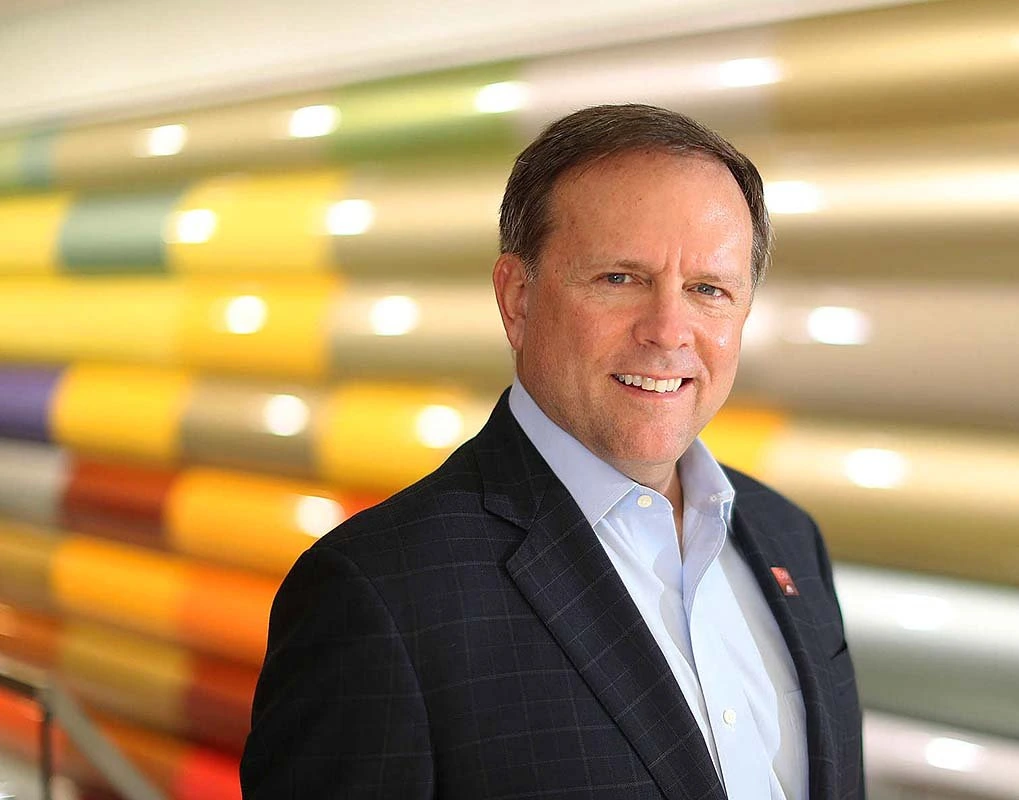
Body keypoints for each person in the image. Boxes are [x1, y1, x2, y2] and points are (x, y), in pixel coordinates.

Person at [241, 104, 863, 799]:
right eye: (619, 278)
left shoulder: (788, 537)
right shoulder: (380, 597)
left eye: (707, 289)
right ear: (518, 298)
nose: (667, 330)